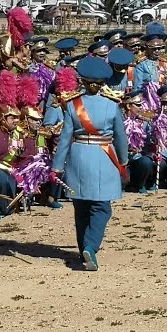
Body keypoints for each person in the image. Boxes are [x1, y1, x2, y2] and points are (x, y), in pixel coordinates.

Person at [51, 57, 129, 271]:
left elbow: (64, 138)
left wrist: (57, 166)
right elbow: (121, 137)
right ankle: (90, 247)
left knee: (81, 207)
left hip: (78, 157)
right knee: (102, 207)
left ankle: (83, 249)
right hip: (104, 156)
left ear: (82, 81)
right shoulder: (112, 105)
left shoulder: (73, 104)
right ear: (102, 83)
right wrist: (123, 160)